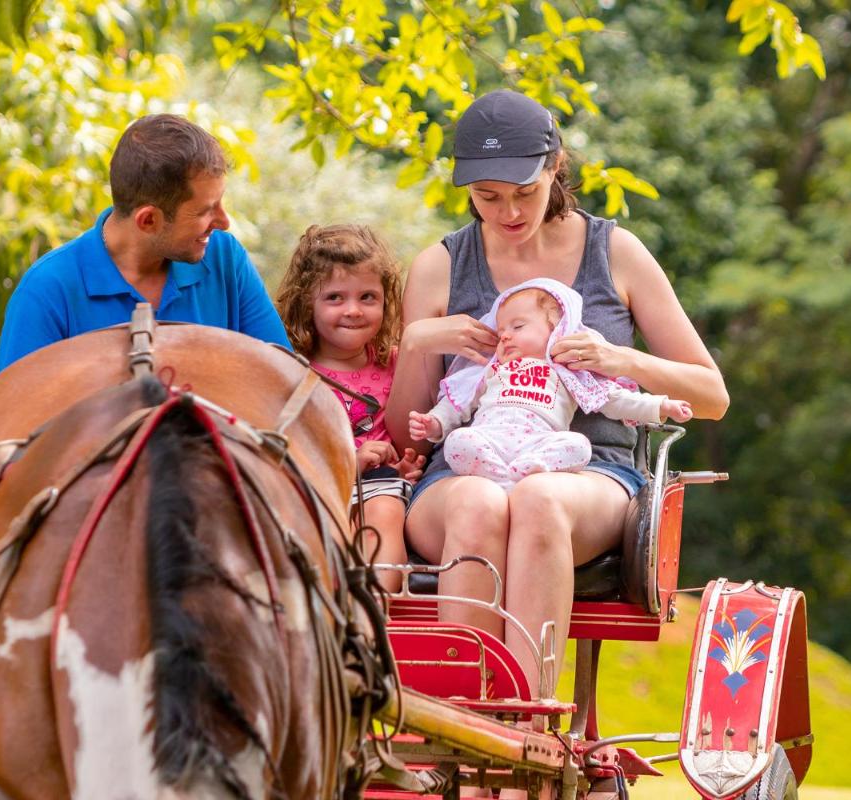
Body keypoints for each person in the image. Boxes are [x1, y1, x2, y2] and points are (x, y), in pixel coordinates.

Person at [385, 90, 729, 707]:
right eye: (487, 197)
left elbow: (712, 396)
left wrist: (619, 360)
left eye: (524, 191)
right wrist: (418, 341)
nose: (508, 211)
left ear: (556, 166)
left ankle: (523, 730)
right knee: (480, 506)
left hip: (586, 471)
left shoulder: (614, 253)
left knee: (540, 499)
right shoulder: (440, 266)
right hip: (467, 465)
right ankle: (461, 717)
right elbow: (408, 437)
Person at [0, 114, 291, 374]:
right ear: (148, 220)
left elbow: (283, 381)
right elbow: (15, 421)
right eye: (204, 211)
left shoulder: (225, 259)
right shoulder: (48, 290)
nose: (224, 222)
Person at [408, 279, 693, 489]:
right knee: (459, 442)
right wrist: (435, 423)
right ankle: (504, 478)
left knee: (579, 445)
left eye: (517, 327)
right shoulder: (490, 369)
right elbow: (457, 403)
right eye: (501, 330)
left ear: (557, 328)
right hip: (490, 439)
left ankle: (528, 471)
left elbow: (614, 399)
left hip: (540, 444)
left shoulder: (569, 371)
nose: (505, 336)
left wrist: (661, 405)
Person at [276, 224, 424, 591]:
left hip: (382, 487)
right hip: (320, 484)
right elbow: (290, 447)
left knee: (382, 511)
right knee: (336, 528)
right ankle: (335, 614)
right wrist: (351, 461)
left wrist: (404, 463)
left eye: (368, 297)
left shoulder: (395, 364)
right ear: (306, 301)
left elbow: (407, 436)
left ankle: (374, 610)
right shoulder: (294, 371)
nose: (353, 310)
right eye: (335, 298)